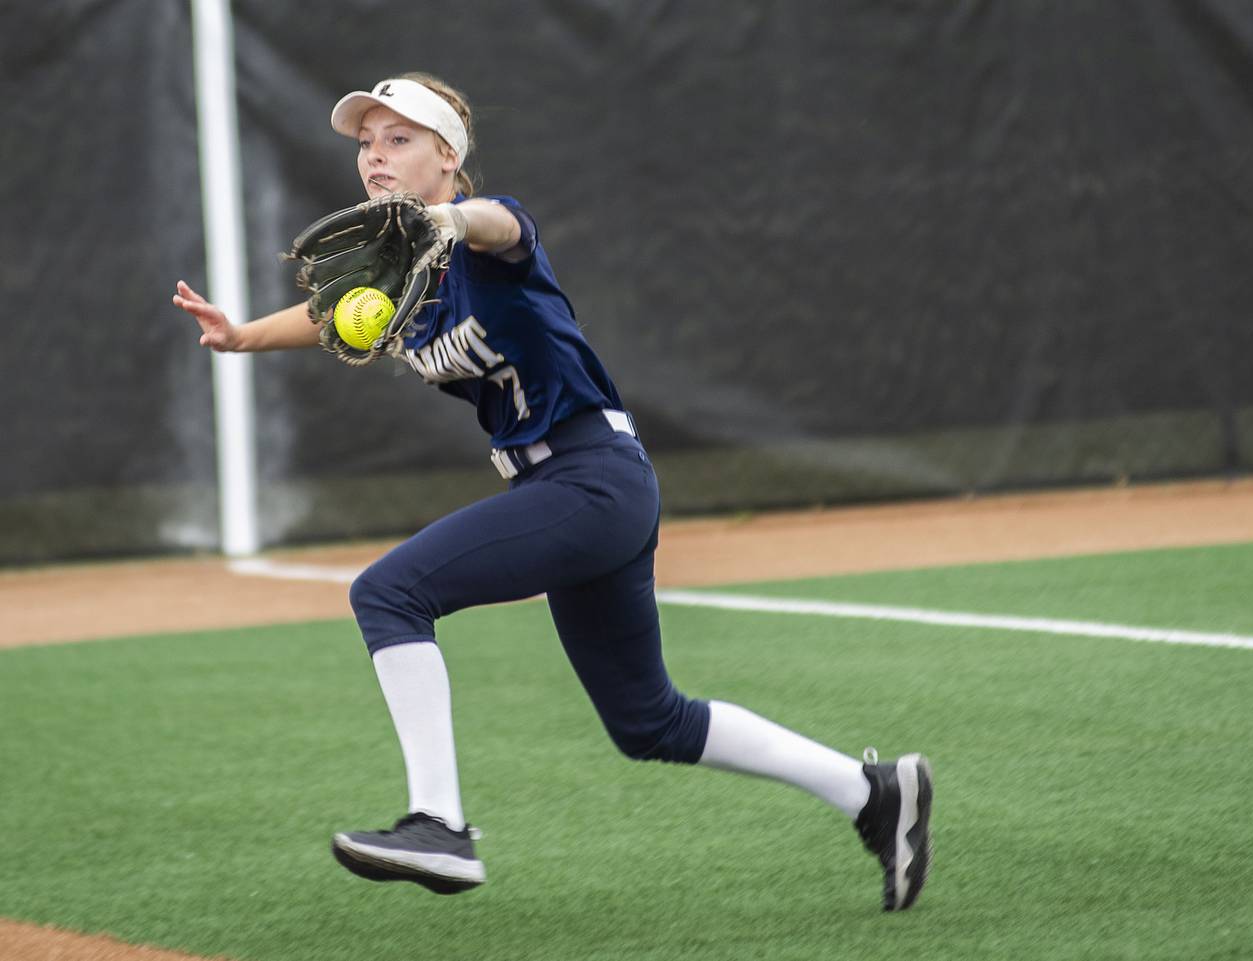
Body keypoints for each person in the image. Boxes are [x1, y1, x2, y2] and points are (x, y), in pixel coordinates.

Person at [172, 72, 933, 911]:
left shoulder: (488, 235)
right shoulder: (403, 278)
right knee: (649, 721)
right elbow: (333, 315)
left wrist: (451, 217)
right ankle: (874, 793)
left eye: (399, 139)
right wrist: (243, 336)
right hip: (581, 491)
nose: (375, 156)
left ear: (448, 156)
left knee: (388, 593)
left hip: (591, 476)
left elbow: (501, 225)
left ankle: (439, 824)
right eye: (366, 142)